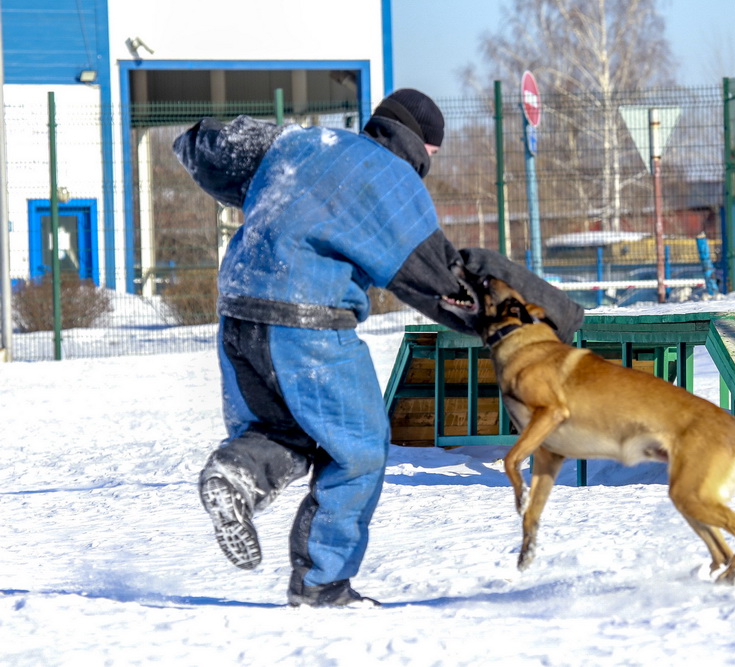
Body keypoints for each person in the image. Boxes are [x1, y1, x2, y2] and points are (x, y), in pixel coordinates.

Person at [173, 89, 583, 608]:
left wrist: (227, 169)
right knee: (359, 449)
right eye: (432, 155)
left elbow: (212, 146)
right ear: (421, 144)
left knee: (282, 430)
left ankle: (238, 474)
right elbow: (442, 278)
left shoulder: (301, 143)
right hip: (308, 323)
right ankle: (322, 584)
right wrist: (550, 316)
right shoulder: (390, 178)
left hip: (237, 314)